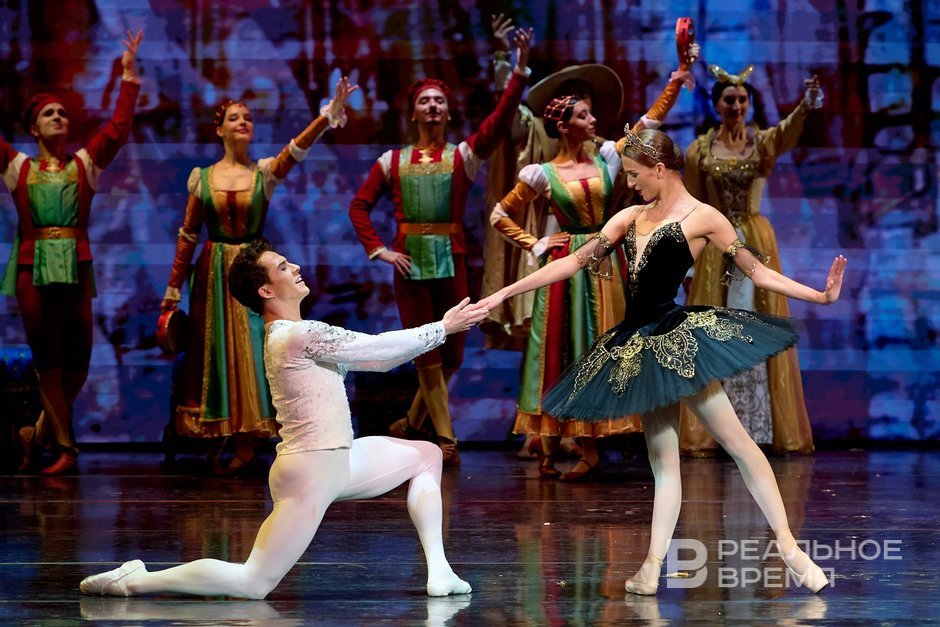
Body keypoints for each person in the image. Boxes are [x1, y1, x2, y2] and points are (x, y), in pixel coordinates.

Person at [477, 127, 844, 595]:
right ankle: (651, 568)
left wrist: (819, 296)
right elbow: (572, 262)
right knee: (662, 461)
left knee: (740, 445)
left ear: (660, 168)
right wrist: (505, 292)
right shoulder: (629, 217)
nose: (629, 184)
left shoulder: (704, 217)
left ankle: (791, 549)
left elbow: (757, 272)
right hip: (638, 345)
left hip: (677, 341)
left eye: (635, 175)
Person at [79, 238, 485, 599]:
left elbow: (377, 359)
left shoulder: (293, 333)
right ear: (266, 290)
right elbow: (379, 349)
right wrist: (444, 327)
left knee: (426, 455)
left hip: (337, 461)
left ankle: (440, 573)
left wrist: (443, 329)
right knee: (253, 582)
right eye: (284, 267)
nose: (296, 267)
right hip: (313, 470)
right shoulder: (296, 335)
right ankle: (135, 580)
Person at [482, 15, 698, 476]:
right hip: (566, 263)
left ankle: (590, 448)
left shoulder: (607, 156)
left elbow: (648, 123)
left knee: (599, 345)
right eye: (584, 115)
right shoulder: (542, 173)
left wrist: (677, 79)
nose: (593, 120)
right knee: (557, 348)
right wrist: (535, 242)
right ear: (564, 126)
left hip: (605, 261)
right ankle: (548, 444)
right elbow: (499, 214)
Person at [348, 26, 532, 466]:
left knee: (452, 353)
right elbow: (359, 206)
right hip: (409, 265)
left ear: (448, 112)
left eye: (439, 101)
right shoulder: (391, 161)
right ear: (413, 113)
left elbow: (499, 121)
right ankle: (447, 440)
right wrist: (380, 250)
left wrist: (519, 69)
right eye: (424, 101)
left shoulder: (462, 156)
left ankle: (411, 424)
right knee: (426, 351)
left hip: (452, 259)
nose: (432, 106)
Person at [161, 77, 357, 474]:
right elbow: (188, 235)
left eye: (248, 117)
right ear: (219, 129)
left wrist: (326, 117)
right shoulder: (202, 177)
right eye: (234, 118)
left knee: (257, 349)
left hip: (255, 270)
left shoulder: (263, 173)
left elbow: (295, 150)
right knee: (216, 352)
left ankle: (250, 442)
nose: (243, 122)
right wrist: (173, 287)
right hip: (214, 274)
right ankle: (224, 433)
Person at [2, 30, 143, 476]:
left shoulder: (84, 164)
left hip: (76, 265)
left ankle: (36, 434)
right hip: (32, 267)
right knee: (48, 360)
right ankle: (67, 448)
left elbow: (117, 129)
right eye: (49, 113)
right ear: (33, 128)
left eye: (63, 112)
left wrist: (128, 76)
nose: (58, 117)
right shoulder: (18, 167)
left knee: (78, 362)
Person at [679, 65, 824, 456]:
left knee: (757, 326)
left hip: (756, 242)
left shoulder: (762, 143)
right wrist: (687, 264)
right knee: (713, 332)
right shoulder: (699, 151)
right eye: (730, 100)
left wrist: (805, 105)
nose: (737, 106)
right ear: (717, 105)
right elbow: (690, 206)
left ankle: (760, 426)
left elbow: (788, 130)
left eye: (743, 99)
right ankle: (713, 432)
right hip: (715, 248)